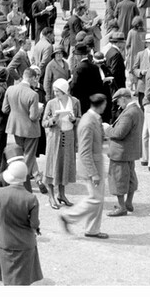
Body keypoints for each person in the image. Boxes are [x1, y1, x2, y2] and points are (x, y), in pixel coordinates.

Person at [58, 93, 109, 239]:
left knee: (98, 199)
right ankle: (68, 216)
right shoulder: (88, 122)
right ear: (101, 105)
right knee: (95, 199)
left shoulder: (93, 119)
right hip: (90, 166)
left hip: (95, 164)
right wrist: (93, 173)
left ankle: (92, 229)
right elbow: (85, 151)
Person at [0, 159, 43, 286]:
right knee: (23, 280)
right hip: (25, 244)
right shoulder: (31, 198)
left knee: (8, 279)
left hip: (4, 242)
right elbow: (34, 224)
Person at [41, 78, 81, 209]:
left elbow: (80, 119)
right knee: (53, 166)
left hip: (69, 136)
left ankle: (62, 194)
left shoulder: (75, 102)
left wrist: (74, 119)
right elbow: (44, 122)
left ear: (64, 91)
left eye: (57, 91)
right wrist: (53, 119)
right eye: (54, 91)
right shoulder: (51, 103)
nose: (55, 93)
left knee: (64, 165)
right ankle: (52, 196)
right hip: (55, 137)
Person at [2, 67, 44, 192]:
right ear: (31, 78)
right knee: (29, 157)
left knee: (20, 155)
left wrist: (16, 111)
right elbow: (33, 116)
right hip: (30, 129)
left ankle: (32, 178)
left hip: (16, 127)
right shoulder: (33, 94)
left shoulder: (10, 89)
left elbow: (5, 109)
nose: (35, 81)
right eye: (35, 78)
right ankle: (23, 183)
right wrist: (40, 110)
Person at [104, 88, 143, 217]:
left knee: (118, 180)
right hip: (130, 152)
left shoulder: (128, 113)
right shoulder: (137, 110)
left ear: (124, 98)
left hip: (120, 152)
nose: (118, 105)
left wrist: (107, 129)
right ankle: (128, 203)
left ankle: (121, 207)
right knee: (131, 178)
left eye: (118, 102)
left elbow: (118, 133)